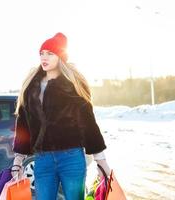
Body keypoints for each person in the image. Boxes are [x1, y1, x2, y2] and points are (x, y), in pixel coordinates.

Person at [11, 32, 111, 200]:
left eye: (50, 53)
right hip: (42, 159)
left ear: (60, 57)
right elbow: (23, 125)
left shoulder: (72, 86)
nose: (44, 57)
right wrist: (18, 160)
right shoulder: (31, 87)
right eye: (42, 53)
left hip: (71, 158)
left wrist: (101, 162)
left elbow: (88, 124)